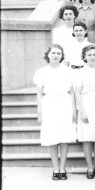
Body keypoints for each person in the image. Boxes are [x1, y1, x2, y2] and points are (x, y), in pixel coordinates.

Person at [34, 44, 76, 180]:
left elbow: (72, 92)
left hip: (64, 103)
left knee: (64, 137)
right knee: (52, 137)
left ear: (62, 56)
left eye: (58, 53)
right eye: (53, 53)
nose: (56, 55)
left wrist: (74, 110)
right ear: (48, 55)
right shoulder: (41, 72)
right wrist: (40, 111)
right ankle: (55, 168)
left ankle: (62, 168)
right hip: (49, 104)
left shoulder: (68, 71)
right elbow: (39, 94)